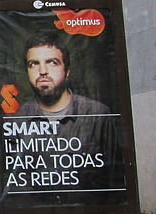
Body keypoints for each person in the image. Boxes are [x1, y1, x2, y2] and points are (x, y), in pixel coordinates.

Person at [11, 32, 119, 194]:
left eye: (52, 62)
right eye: (34, 64)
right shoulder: (18, 120)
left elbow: (113, 176)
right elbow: (16, 179)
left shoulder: (97, 114)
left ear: (67, 70)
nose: (42, 71)